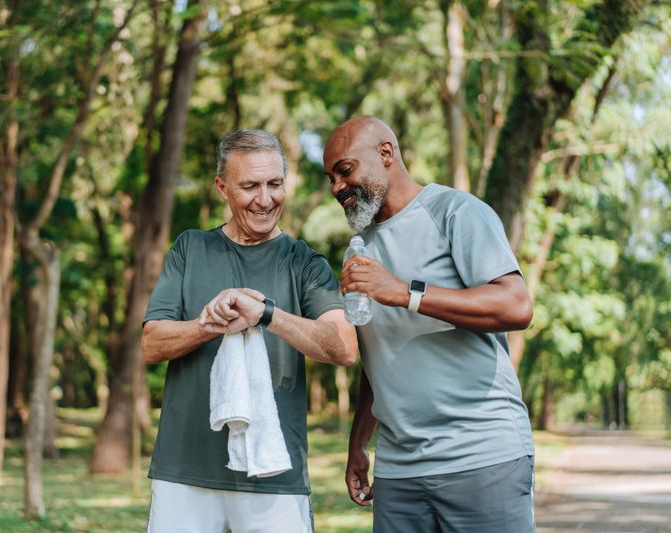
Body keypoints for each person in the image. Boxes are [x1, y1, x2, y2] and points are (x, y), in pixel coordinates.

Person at [323, 116, 536, 532]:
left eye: (345, 170)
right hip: (399, 471)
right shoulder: (357, 251)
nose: (336, 187)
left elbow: (516, 306)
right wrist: (358, 443)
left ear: (386, 153)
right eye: (330, 177)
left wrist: (406, 292)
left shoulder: (455, 212)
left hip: (481, 456)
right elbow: (378, 353)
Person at [141, 128, 358, 533]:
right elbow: (152, 343)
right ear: (222, 187)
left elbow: (344, 347)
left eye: (275, 184)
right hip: (184, 472)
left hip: (276, 473)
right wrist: (208, 323)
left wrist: (265, 313)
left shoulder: (303, 262)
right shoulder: (190, 249)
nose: (265, 199)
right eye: (250, 186)